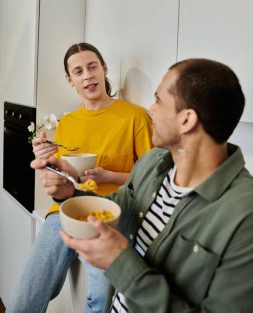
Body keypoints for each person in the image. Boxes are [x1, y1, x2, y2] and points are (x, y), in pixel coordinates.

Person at [32, 58, 253, 312]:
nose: (150, 109)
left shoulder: (244, 215)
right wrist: (70, 190)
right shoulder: (152, 163)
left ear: (186, 120)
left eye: (158, 100)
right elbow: (115, 208)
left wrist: (121, 264)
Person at [6, 43, 153, 313]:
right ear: (70, 80)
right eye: (78, 71)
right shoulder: (67, 123)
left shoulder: (135, 117)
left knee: (99, 301)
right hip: (64, 211)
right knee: (26, 296)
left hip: (111, 215)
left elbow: (151, 176)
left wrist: (109, 175)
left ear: (104, 69)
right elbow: (61, 178)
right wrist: (46, 158)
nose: (87, 75)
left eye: (92, 67)